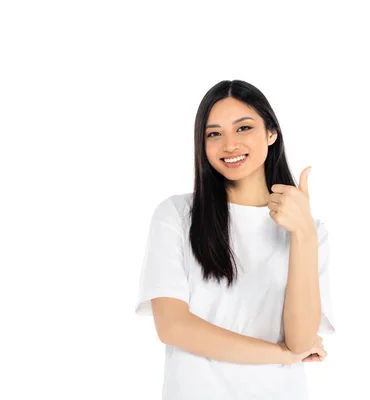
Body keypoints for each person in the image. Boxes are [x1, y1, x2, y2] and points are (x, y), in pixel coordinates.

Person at [134, 80, 336, 399]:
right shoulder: (176, 214)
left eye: (243, 128)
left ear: (271, 133)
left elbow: (300, 341)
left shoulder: (311, 231)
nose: (229, 144)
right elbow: (173, 327)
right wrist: (281, 355)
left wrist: (304, 234)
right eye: (214, 133)